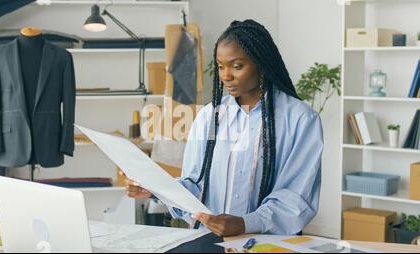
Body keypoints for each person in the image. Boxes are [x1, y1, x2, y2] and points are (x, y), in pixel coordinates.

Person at [124, 19, 323, 237]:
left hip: (269, 243)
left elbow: (296, 197)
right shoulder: (210, 116)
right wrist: (157, 190)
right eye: (221, 66)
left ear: (261, 64)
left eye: (237, 66)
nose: (226, 75)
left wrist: (245, 224)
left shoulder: (300, 119)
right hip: (211, 241)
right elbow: (195, 183)